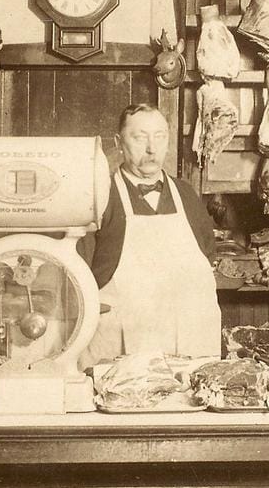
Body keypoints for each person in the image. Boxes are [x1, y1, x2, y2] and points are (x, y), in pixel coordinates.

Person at [80, 103, 220, 367]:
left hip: (189, 342)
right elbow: (80, 272)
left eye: (160, 136)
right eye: (140, 137)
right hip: (121, 346)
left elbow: (207, 255)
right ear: (118, 143)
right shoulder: (100, 196)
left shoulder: (186, 194)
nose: (151, 148)